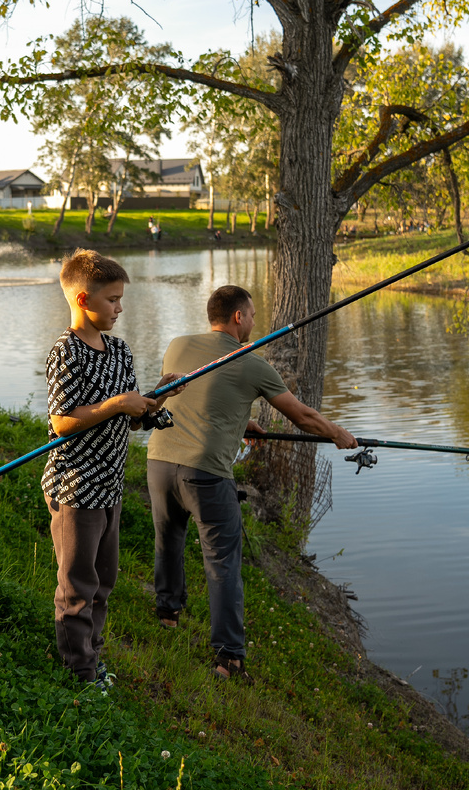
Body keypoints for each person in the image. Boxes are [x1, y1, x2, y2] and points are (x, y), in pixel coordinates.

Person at [146, 285, 357, 681]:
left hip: (159, 461)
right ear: (238, 317)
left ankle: (167, 614)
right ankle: (229, 658)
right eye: (253, 315)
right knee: (223, 562)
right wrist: (337, 433)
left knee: (168, 539)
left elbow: (191, 398)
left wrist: (242, 421)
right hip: (205, 472)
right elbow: (302, 417)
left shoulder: (177, 345)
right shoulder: (252, 363)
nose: (256, 322)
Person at [41, 248, 181, 690]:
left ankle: (91, 657)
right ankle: (79, 675)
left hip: (111, 485)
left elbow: (127, 414)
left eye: (122, 299)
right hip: (76, 486)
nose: (120, 308)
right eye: (113, 300)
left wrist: (146, 411)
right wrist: (119, 403)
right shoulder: (66, 353)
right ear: (83, 300)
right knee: (78, 587)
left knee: (103, 583)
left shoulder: (119, 350)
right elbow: (62, 420)